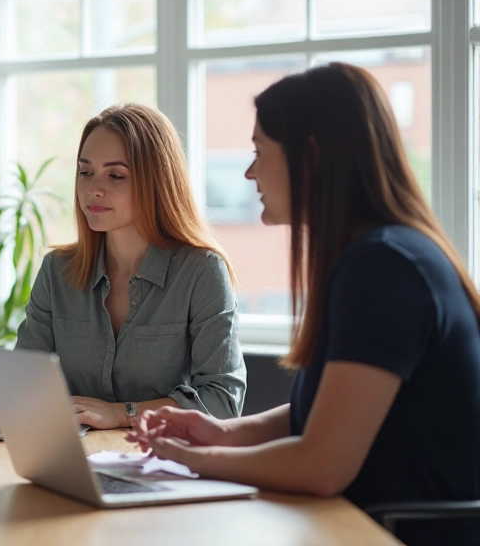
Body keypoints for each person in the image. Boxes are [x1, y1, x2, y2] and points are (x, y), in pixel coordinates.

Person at [129, 63, 480, 546]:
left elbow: (323, 465)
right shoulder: (378, 255)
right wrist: (222, 434)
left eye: (259, 152)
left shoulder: (382, 267)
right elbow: (318, 413)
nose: (250, 171)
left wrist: (192, 461)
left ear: (310, 158)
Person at [0, 103, 247, 430]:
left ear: (156, 182)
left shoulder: (201, 272)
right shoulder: (56, 271)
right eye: (86, 172)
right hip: (68, 462)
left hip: (163, 464)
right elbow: (26, 376)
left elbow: (223, 402)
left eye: (116, 175)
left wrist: (122, 413)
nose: (93, 189)